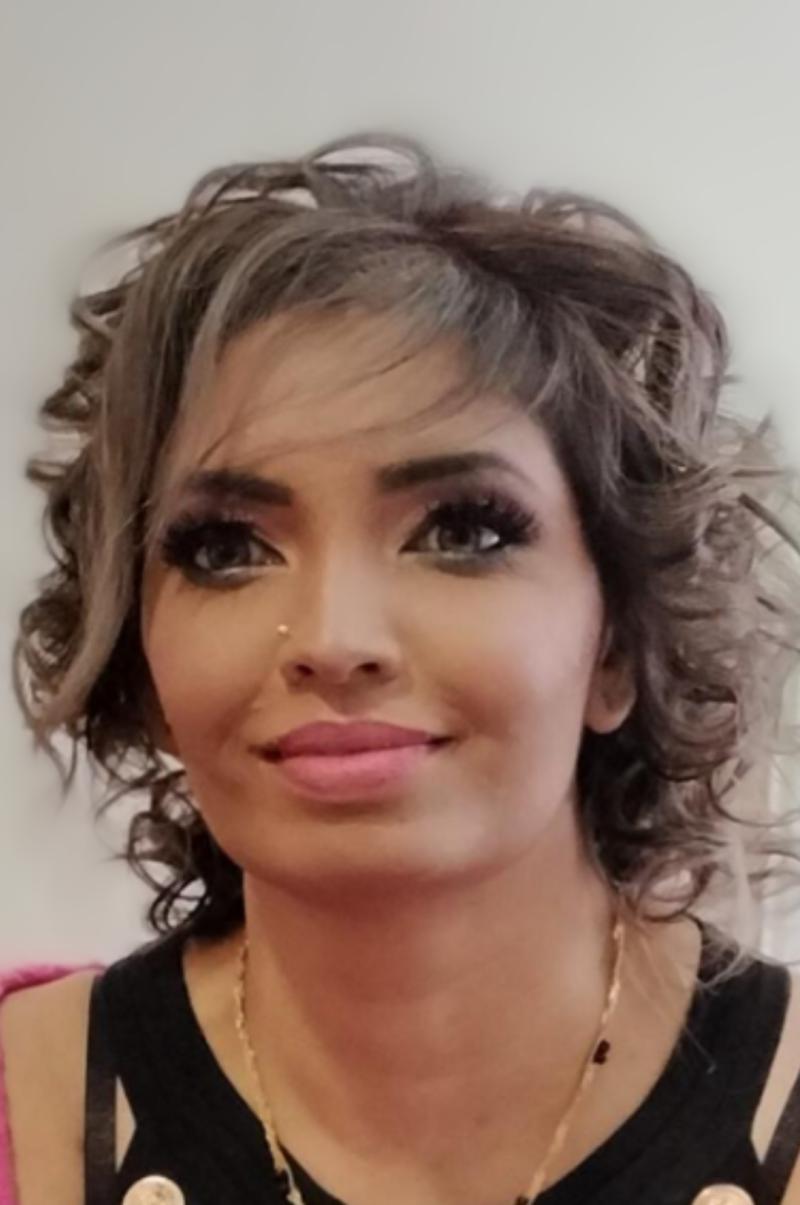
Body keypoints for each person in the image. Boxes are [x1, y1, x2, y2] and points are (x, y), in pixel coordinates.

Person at [2, 133, 800, 1205]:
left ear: (618, 643)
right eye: (226, 547)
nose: (333, 639)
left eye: (462, 530)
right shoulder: (25, 1105)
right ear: (138, 659)